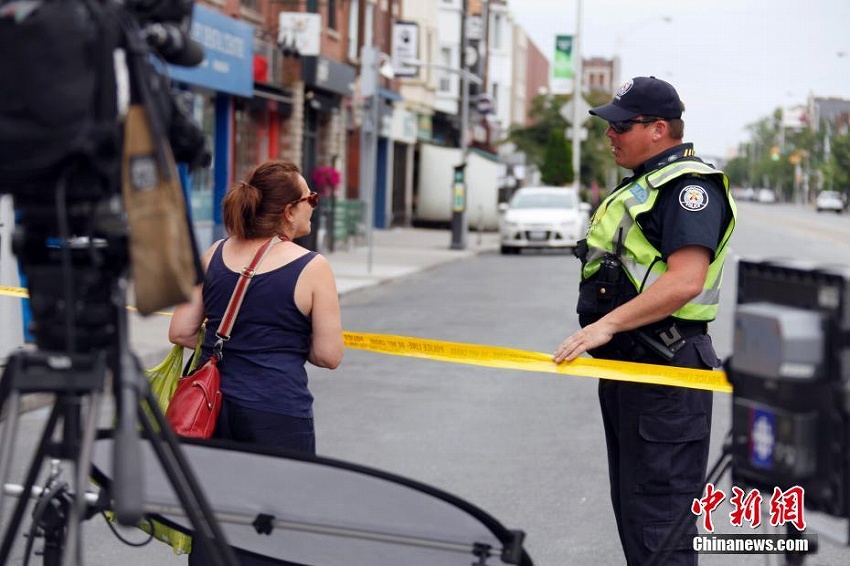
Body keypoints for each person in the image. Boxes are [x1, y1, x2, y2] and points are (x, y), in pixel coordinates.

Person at [552, 76, 737, 565]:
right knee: (637, 515)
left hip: (666, 369)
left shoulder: (687, 188)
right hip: (636, 371)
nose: (610, 135)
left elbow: (686, 280)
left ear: (659, 129)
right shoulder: (646, 184)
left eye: (620, 125)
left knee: (661, 522)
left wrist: (607, 324)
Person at [169, 159, 344, 566]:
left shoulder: (215, 252)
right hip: (277, 412)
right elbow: (328, 355)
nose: (314, 206)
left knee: (213, 521)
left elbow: (180, 330)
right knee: (276, 530)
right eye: (310, 198)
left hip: (213, 408)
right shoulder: (312, 266)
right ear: (289, 210)